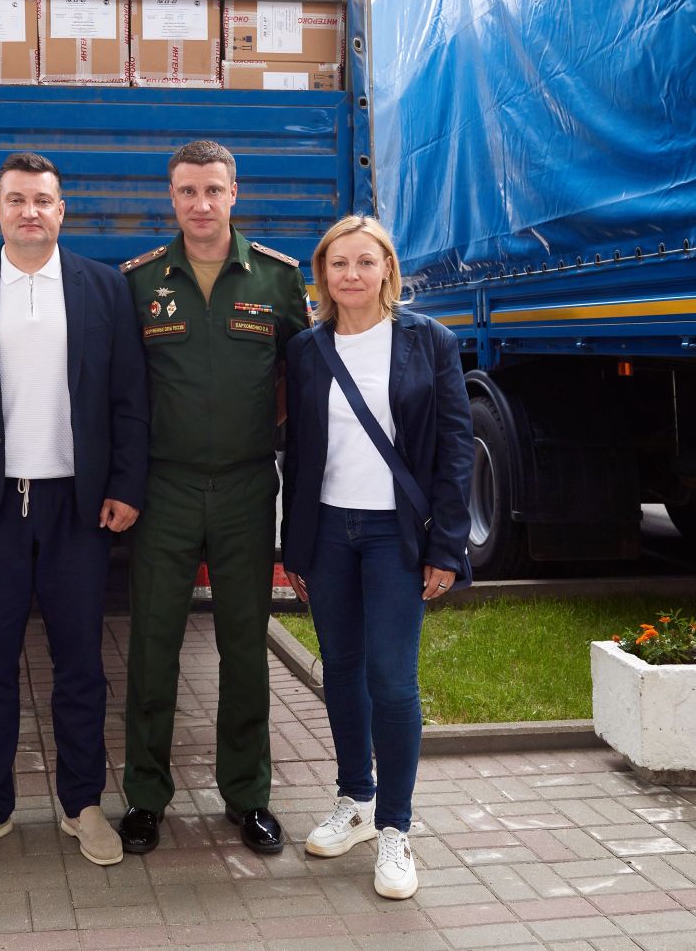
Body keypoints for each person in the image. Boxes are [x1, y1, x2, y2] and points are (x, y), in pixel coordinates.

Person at [0, 152, 149, 868]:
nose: (30, 212)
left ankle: (83, 805)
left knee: (80, 664)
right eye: (16, 200)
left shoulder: (104, 288)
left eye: (43, 200)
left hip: (77, 507)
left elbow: (129, 399)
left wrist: (127, 485)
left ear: (61, 210)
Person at [117, 140, 311, 856]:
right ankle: (145, 796)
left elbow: (303, 379)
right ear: (170, 197)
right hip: (163, 489)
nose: (201, 204)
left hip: (245, 487)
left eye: (213, 190)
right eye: (187, 191)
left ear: (235, 193)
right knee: (152, 645)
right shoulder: (139, 282)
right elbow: (122, 392)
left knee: (245, 647)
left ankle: (248, 795)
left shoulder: (278, 278)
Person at [280, 215, 473, 899]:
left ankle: (395, 826)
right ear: (322, 275)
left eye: (366, 261)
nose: (352, 274)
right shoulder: (307, 349)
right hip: (329, 534)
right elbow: (298, 453)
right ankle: (355, 799)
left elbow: (455, 448)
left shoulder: (429, 341)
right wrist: (296, 544)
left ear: (388, 269)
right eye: (338, 264)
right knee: (342, 671)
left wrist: (447, 545)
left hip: (397, 535)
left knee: (392, 680)